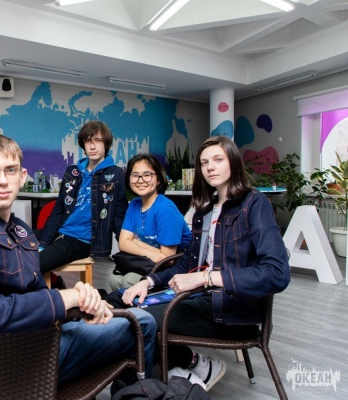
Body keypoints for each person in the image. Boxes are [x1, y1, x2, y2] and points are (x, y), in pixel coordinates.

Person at [0, 134, 157, 386]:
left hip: (36, 337)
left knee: (122, 316)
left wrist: (82, 304)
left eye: (10, 170)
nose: (2, 180)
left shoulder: (20, 230)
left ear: (22, 176)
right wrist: (67, 298)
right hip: (15, 361)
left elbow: (36, 294)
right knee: (143, 323)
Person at [109, 136, 291, 391]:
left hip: (230, 309)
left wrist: (206, 277)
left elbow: (277, 273)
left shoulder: (254, 203)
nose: (210, 167)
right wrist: (147, 282)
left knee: (138, 318)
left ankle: (135, 388)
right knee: (118, 300)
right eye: (204, 163)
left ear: (233, 162)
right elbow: (185, 266)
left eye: (218, 160)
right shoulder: (204, 211)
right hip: (197, 298)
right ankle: (166, 372)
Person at [39, 121, 128, 274]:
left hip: (81, 240)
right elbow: (59, 209)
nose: (92, 146)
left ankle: (51, 288)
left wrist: (127, 255)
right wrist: (44, 243)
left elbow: (120, 216)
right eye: (88, 141)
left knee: (35, 264)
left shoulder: (116, 174)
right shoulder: (72, 171)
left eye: (97, 140)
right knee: (19, 239)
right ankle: (56, 283)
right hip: (60, 232)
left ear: (105, 144)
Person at [109, 154, 191, 291]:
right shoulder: (134, 204)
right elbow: (123, 243)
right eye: (135, 175)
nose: (140, 180)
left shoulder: (165, 209)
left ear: (158, 179)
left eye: (147, 175)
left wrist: (136, 242)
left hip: (175, 269)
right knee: (114, 279)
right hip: (148, 262)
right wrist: (151, 253)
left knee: (129, 279)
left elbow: (168, 258)